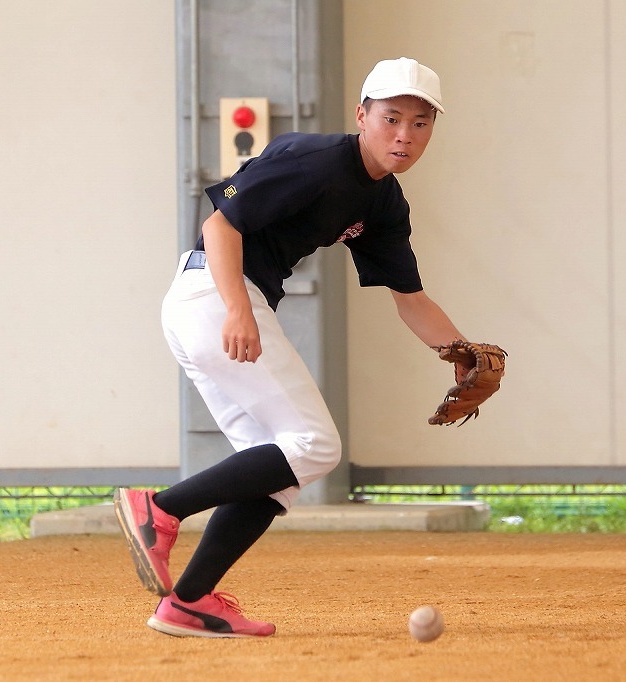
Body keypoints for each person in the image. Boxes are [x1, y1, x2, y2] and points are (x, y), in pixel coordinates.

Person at [114, 57, 470, 638]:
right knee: (316, 444)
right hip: (214, 293)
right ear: (362, 115)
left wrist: (460, 352)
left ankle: (188, 602)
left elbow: (410, 298)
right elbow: (220, 227)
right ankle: (161, 509)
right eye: (391, 117)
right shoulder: (318, 160)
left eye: (420, 123)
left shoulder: (384, 203)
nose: (404, 134)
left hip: (215, 302)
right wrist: (236, 309)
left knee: (278, 470)